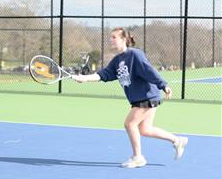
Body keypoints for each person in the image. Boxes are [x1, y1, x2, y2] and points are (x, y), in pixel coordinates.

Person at [72, 27, 188, 168]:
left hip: (147, 96)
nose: (111, 39)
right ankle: (177, 140)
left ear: (123, 39)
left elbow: (149, 71)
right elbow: (103, 75)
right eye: (111, 37)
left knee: (130, 124)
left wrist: (163, 85)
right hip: (140, 98)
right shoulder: (116, 61)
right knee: (145, 129)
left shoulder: (135, 55)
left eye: (114, 37)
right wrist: (84, 78)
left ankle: (138, 157)